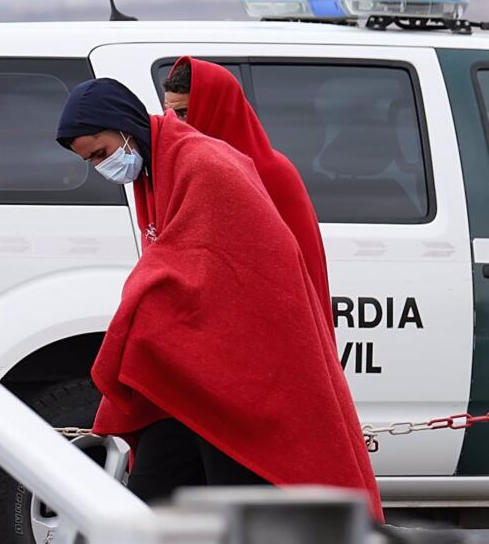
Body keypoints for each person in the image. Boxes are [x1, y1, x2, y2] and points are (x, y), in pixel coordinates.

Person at [55, 78, 384, 521]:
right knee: (155, 498)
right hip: (196, 375)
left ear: (125, 126)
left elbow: (206, 267)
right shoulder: (156, 169)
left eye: (101, 152)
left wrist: (138, 308)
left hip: (240, 376)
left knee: (237, 499)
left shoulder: (205, 165)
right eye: (90, 160)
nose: (101, 166)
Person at [162, 57, 332, 326]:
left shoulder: (272, 173)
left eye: (182, 113)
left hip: (267, 323)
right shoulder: (180, 170)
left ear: (215, 109)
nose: (174, 125)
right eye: (167, 113)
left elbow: (302, 276)